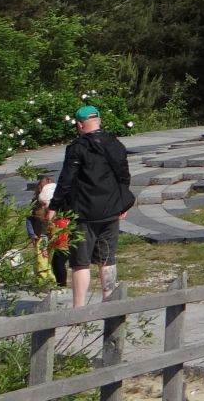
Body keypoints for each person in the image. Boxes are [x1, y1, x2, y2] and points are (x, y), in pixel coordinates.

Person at [51, 103, 132, 308]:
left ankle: (79, 309)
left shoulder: (77, 148)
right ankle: (109, 303)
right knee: (107, 258)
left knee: (80, 262)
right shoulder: (115, 144)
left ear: (79, 124)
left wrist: (54, 205)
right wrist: (122, 204)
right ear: (99, 121)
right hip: (111, 210)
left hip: (84, 213)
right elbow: (124, 176)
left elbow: (66, 180)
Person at [28, 176, 70, 290]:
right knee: (45, 261)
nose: (44, 206)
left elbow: (51, 228)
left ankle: (56, 283)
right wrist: (33, 234)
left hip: (57, 238)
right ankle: (45, 281)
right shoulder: (37, 204)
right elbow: (31, 220)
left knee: (55, 261)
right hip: (44, 236)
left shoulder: (59, 209)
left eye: (45, 203)